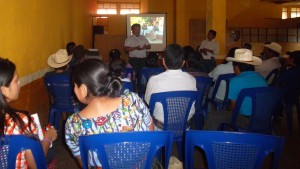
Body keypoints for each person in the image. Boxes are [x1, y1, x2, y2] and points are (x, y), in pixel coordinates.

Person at [65, 59, 153, 168]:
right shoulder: (132, 100)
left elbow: (83, 160)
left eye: (74, 85)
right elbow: (150, 130)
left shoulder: (73, 124)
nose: (74, 89)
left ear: (83, 89)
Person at [0, 57, 57, 168]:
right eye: (16, 81)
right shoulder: (21, 121)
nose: (19, 83)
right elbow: (36, 164)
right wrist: (48, 138)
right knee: (51, 150)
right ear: (4, 90)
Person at [203, 49, 267, 130]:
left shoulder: (235, 81)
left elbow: (233, 109)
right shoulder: (261, 78)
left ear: (236, 67)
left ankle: (207, 140)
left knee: (212, 116)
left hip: (245, 120)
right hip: (262, 118)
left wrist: (226, 111)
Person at [144, 43, 197, 130]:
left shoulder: (154, 80)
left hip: (161, 129)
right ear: (183, 62)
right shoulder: (192, 79)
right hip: (185, 128)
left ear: (163, 61)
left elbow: (148, 102)